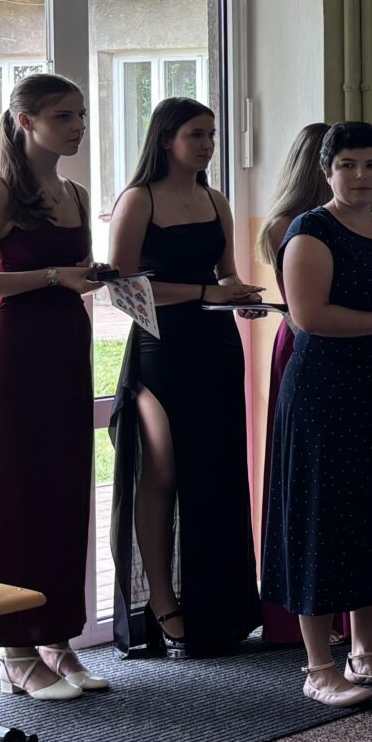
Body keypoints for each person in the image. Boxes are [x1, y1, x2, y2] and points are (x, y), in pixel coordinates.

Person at [264, 122, 372, 707]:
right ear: (327, 171)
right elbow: (309, 316)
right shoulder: (311, 231)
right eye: (347, 165)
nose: (361, 176)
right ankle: (318, 666)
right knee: (323, 520)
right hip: (327, 395)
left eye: (371, 165)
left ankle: (366, 653)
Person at [0, 72, 102, 702]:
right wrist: (53, 277)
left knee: (61, 497)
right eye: (64, 116)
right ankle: (14, 651)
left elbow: (69, 273)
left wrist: (91, 276)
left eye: (81, 115)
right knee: (13, 501)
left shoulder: (76, 194)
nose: (77, 126)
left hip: (65, 355)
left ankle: (56, 639)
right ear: (25, 121)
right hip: (12, 361)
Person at [105, 98, 264, 663]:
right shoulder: (138, 199)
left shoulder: (216, 199)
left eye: (212, 135)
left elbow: (227, 274)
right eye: (196, 134)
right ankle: (163, 603)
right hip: (161, 348)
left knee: (217, 472)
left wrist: (240, 296)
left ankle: (221, 605)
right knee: (162, 472)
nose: (207, 145)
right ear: (166, 138)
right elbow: (121, 287)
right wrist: (204, 293)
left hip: (217, 345)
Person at [254, 120, 330, 649]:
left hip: (339, 346)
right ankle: (297, 615)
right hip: (305, 343)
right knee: (303, 474)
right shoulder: (290, 224)